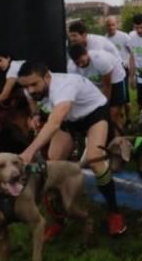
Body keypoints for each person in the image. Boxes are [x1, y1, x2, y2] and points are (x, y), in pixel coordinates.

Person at [17, 61, 126, 236]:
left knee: (94, 159)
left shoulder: (64, 86)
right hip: (69, 120)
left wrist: (28, 152)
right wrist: (36, 114)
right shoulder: (31, 88)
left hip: (94, 114)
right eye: (25, 86)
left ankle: (114, 213)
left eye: (34, 84)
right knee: (51, 167)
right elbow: (36, 105)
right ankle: (58, 220)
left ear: (47, 76)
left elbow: (54, 123)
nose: (30, 90)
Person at [68, 43, 128, 132]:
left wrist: (105, 106)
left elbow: (107, 86)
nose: (80, 65)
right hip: (95, 82)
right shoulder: (71, 68)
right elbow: (78, 89)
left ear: (87, 53)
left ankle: (118, 135)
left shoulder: (100, 60)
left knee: (113, 114)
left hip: (115, 78)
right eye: (77, 63)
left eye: (82, 61)